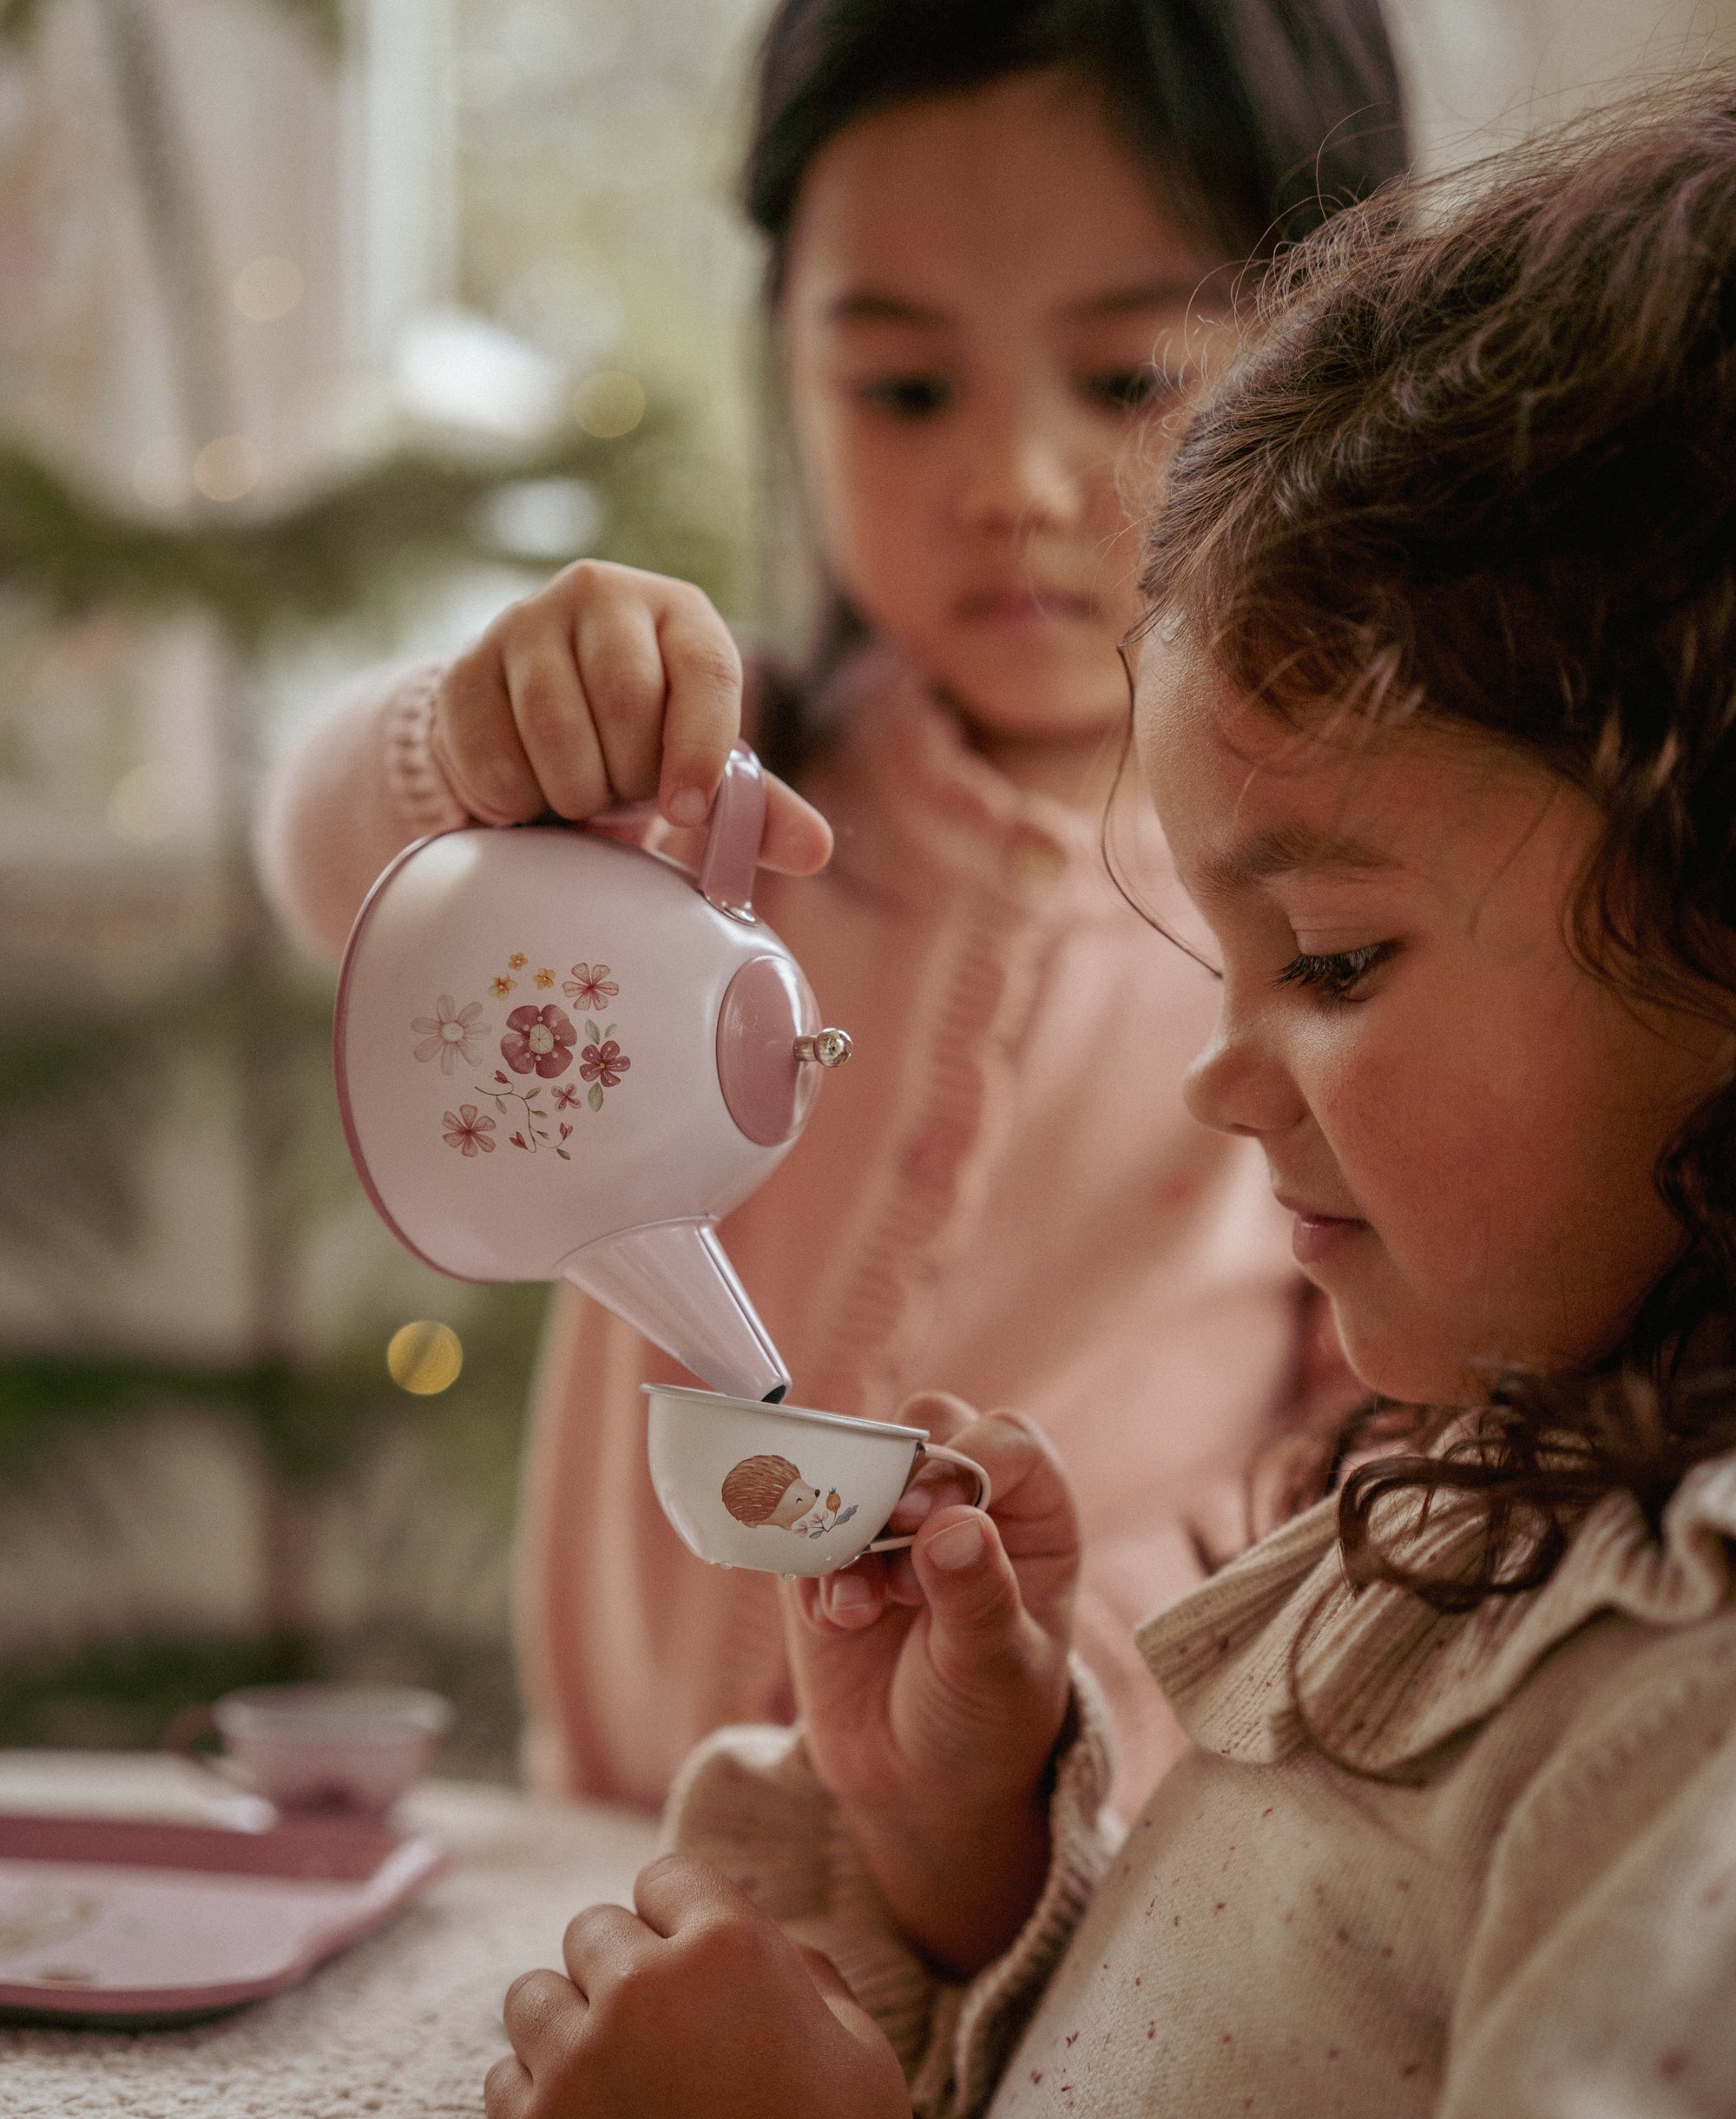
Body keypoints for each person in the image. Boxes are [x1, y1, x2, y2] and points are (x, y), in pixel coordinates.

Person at [485, 86, 1736, 2119]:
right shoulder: (1485, 1528)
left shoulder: (1686, 1746)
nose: (1217, 1078)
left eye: (1336, 961)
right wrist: (973, 1862)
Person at [259, 0, 1405, 1815]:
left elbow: (1357, 1464)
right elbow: (334, 865)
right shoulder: (697, 803)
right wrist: (473, 744)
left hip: (1070, 1876)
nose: (1010, 486)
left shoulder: (1339, 920)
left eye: (1127, 382)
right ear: (788, 360)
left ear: (1339, 364)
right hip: (623, 1853)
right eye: (905, 391)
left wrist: (1032, 1693)